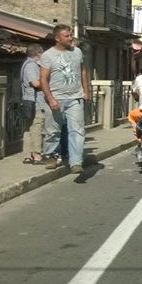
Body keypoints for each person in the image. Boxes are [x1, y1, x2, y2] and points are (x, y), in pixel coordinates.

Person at [40, 24, 90, 173]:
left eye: (70, 35)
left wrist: (86, 91)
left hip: (75, 98)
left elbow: (83, 72)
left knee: (77, 131)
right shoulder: (48, 55)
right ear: (57, 38)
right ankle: (51, 156)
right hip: (56, 99)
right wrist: (51, 99)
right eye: (67, 36)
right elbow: (43, 79)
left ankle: (76, 162)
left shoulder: (77, 52)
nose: (70, 38)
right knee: (53, 131)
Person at [20, 44, 46, 164]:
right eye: (42, 54)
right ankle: (36, 155)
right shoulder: (31, 65)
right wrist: (46, 83)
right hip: (34, 102)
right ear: (38, 54)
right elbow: (35, 83)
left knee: (28, 128)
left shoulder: (28, 64)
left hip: (29, 101)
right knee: (36, 127)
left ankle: (27, 155)